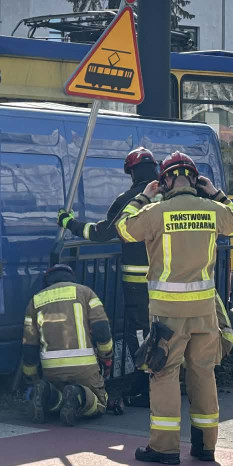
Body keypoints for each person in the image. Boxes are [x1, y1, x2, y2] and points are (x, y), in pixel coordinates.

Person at [115, 152, 233, 465]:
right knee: (203, 373)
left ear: (166, 180)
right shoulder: (212, 209)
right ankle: (205, 446)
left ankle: (164, 447)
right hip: (204, 312)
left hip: (168, 314)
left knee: (164, 374)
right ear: (194, 179)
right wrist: (214, 191)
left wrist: (144, 196)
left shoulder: (157, 210)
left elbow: (123, 227)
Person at [57, 148, 157, 406]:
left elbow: (101, 233)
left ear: (131, 172)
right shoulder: (169, 197)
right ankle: (168, 382)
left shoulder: (132, 198)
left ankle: (145, 389)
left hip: (138, 283)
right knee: (167, 331)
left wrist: (69, 223)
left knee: (141, 334)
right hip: (169, 281)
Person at [21, 264, 114, 426]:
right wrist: (106, 357)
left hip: (51, 370)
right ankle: (78, 394)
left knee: (58, 400)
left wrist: (33, 379)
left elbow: (29, 345)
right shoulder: (85, 293)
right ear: (71, 277)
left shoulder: (35, 301)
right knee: (98, 403)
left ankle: (45, 391)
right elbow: (101, 330)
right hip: (84, 367)